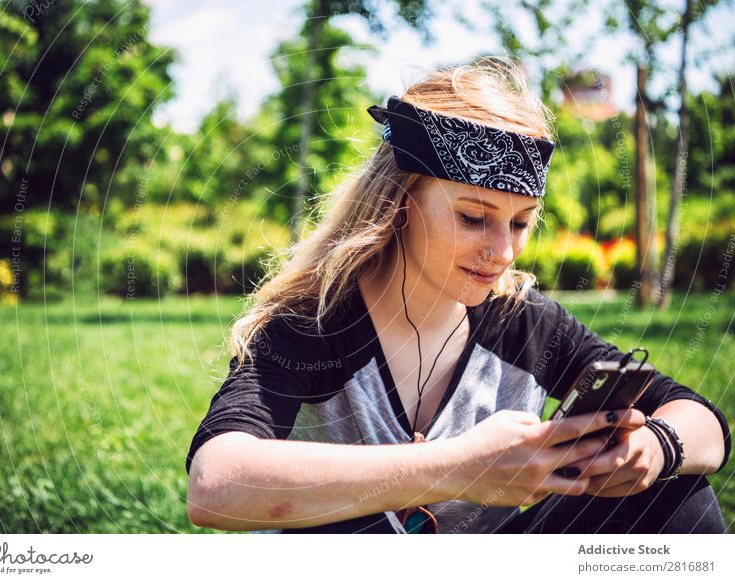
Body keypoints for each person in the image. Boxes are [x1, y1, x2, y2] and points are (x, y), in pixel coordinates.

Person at [185, 56, 730, 534]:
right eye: (473, 218)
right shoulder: (310, 326)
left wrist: (657, 447)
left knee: (672, 489)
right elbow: (214, 484)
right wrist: (456, 467)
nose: (503, 252)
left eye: (520, 223)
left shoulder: (524, 323)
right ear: (399, 204)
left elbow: (704, 423)